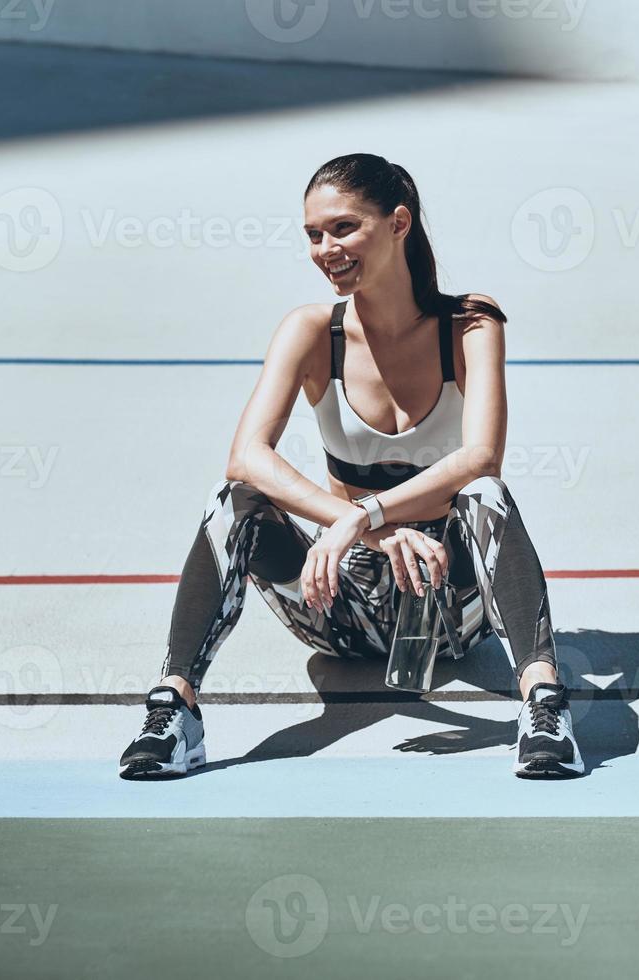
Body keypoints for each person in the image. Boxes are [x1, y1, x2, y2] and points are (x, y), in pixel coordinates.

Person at [118, 153, 584, 781]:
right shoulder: (311, 331)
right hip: (339, 609)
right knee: (234, 498)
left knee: (486, 495)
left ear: (398, 224)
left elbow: (481, 457)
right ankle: (175, 709)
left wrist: (366, 511)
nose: (325, 249)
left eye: (343, 228)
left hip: (449, 602)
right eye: (313, 234)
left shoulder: (470, 324)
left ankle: (544, 707)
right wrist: (362, 528)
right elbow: (247, 455)